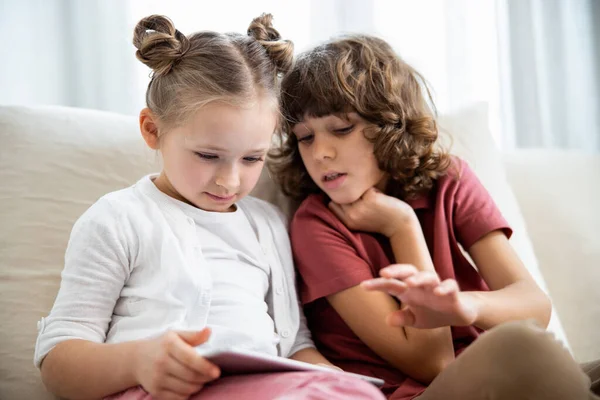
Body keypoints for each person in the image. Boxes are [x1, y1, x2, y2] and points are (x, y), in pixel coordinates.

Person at [34, 15, 384, 400]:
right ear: (153, 130)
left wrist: (331, 379)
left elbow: (293, 341)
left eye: (252, 159)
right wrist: (138, 361)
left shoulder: (267, 223)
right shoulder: (119, 219)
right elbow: (57, 362)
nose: (230, 181)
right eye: (207, 155)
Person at [269, 34, 600, 400]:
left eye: (342, 129)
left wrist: (468, 306)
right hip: (416, 393)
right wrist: (402, 226)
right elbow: (433, 363)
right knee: (522, 348)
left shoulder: (450, 180)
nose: (321, 153)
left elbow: (534, 307)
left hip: (493, 372)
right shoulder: (315, 224)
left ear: (389, 122)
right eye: (304, 137)